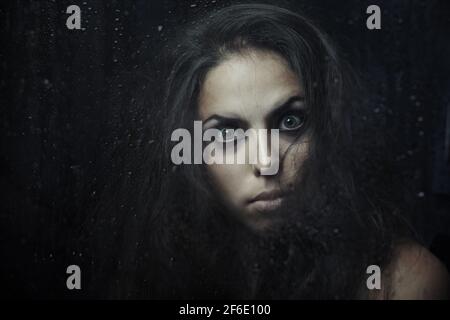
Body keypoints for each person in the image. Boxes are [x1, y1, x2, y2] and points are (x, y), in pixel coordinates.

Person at [88, 3, 449, 299]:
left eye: (290, 122)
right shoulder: (144, 276)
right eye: (227, 133)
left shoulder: (402, 283)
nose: (266, 162)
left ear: (326, 129)